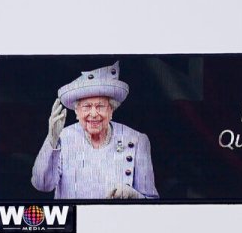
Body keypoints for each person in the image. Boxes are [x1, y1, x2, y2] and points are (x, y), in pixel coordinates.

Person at [31, 61, 158, 199]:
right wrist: (52, 139)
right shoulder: (63, 137)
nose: (93, 114)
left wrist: (134, 196)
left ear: (111, 110)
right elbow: (42, 185)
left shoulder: (137, 140)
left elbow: (151, 200)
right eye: (86, 106)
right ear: (76, 112)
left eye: (100, 106)